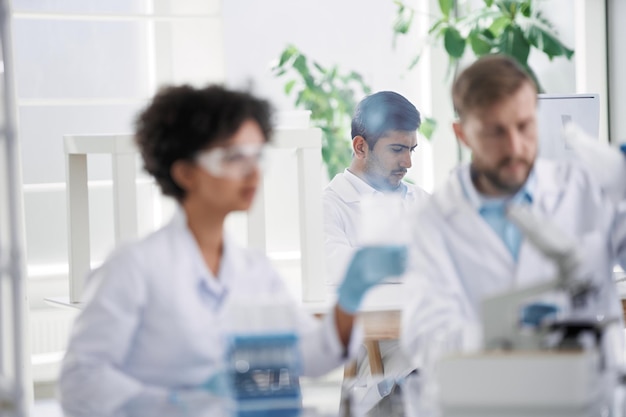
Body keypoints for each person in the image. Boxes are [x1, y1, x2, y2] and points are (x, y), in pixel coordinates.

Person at [58, 85, 407, 417]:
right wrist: (178, 405)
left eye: (256, 156)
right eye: (233, 157)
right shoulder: (133, 267)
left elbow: (310, 355)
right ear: (185, 172)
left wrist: (353, 292)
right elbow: (80, 382)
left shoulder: (253, 271)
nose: (252, 172)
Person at [400, 54, 626, 370]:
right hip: (493, 397)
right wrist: (504, 334)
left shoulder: (586, 189)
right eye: (496, 132)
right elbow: (423, 338)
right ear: (462, 134)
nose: (516, 147)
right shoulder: (434, 220)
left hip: (592, 396)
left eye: (525, 126)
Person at [323, 91, 429, 381]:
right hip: (379, 352)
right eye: (397, 149)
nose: (408, 162)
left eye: (412, 150)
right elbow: (343, 270)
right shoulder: (329, 206)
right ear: (360, 147)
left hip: (432, 334)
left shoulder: (421, 200)